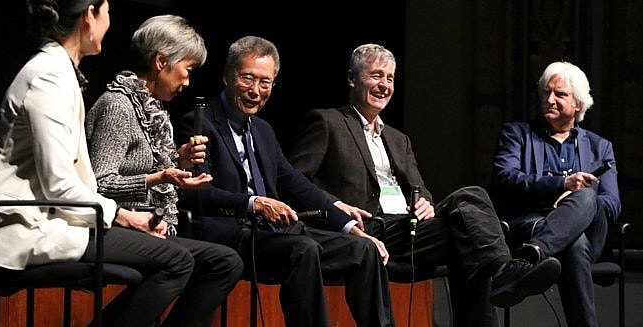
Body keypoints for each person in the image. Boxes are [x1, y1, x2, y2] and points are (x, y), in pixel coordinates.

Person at [0, 0, 211, 327]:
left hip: (54, 218)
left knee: (177, 260)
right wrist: (125, 216)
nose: (110, 22)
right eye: (107, 11)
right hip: (26, 226)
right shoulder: (48, 76)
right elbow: (58, 185)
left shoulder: (58, 71)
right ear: (89, 16)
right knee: (176, 261)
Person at [286, 43, 562, 327]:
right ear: (352, 78)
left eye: (390, 78)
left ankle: (502, 273)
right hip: (366, 229)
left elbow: (421, 190)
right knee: (469, 220)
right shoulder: (328, 122)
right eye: (376, 75)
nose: (384, 85)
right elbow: (295, 182)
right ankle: (504, 271)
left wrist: (426, 203)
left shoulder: (398, 139)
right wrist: (336, 205)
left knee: (469, 223)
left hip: (408, 230)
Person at [174, 35, 395, 327]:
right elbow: (197, 192)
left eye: (265, 82)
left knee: (364, 250)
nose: (256, 91)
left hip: (272, 234)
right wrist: (254, 203)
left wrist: (350, 227)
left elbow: (298, 185)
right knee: (303, 249)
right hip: (230, 234)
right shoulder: (200, 122)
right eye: (247, 78)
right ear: (227, 76)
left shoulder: (263, 130)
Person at [85, 15, 243, 323]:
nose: (187, 81)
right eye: (188, 69)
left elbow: (151, 174)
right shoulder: (118, 106)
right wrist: (160, 176)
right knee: (183, 260)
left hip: (151, 227)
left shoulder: (154, 110)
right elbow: (99, 183)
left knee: (226, 262)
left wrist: (178, 163)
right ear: (161, 62)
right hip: (115, 228)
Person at [490, 61, 621, 327]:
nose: (550, 100)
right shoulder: (516, 134)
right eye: (546, 93)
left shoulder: (601, 147)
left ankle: (528, 258)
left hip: (587, 230)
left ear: (578, 104)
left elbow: (612, 204)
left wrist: (576, 200)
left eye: (560, 94)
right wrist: (561, 184)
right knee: (575, 244)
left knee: (586, 196)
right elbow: (505, 179)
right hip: (532, 224)